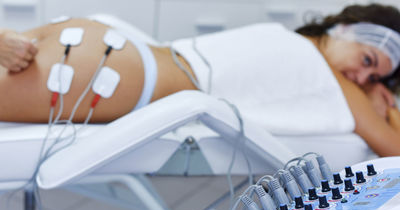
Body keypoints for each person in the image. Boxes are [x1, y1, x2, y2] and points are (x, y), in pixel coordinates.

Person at [0, 4, 399, 158]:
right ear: (348, 29)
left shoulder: (286, 41)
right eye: (368, 61)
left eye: (373, 78)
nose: (361, 76)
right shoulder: (334, 81)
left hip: (98, 44)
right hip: (111, 73)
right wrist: (389, 107)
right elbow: (394, 149)